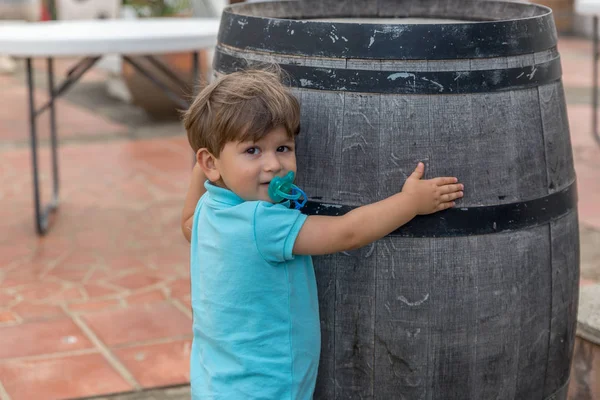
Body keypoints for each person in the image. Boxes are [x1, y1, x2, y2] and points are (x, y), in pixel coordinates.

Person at [180, 67, 464, 399]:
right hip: (266, 386)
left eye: (283, 148)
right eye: (253, 151)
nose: (273, 165)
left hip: (216, 380)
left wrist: (206, 167)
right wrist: (410, 202)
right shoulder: (263, 222)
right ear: (213, 163)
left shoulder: (208, 212)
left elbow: (186, 220)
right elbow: (347, 233)